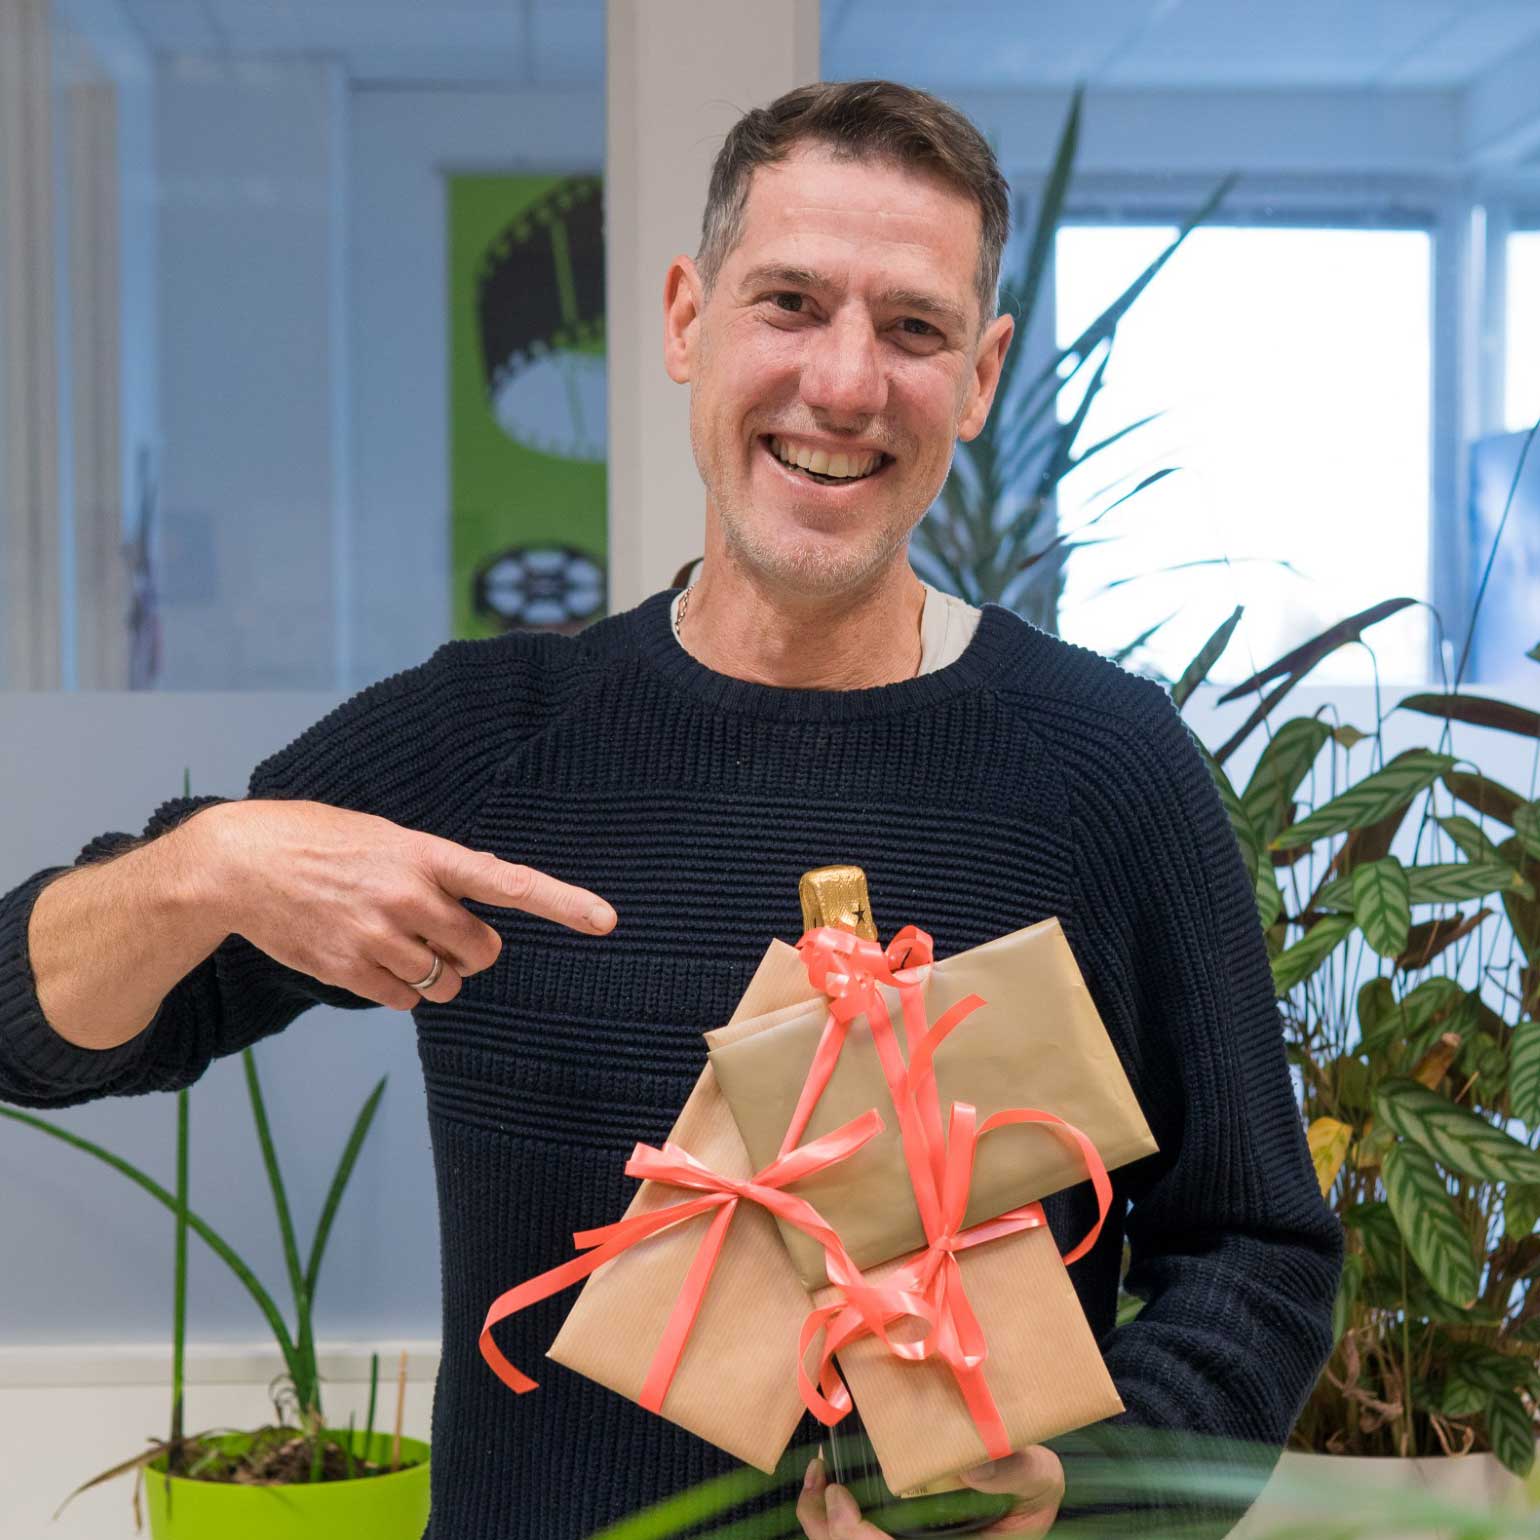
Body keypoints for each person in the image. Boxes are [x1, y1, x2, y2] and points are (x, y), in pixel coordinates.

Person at [0, 79, 1342, 1540]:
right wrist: (205, 867)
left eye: (912, 328)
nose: (844, 383)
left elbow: (1255, 1245)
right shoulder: (486, 744)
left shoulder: (1104, 764)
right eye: (789, 303)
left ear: (981, 374)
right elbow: (34, 1030)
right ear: (685, 319)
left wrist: (1084, 1499)